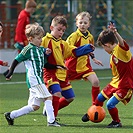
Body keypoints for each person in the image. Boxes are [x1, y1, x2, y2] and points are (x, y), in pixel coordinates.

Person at [4, 23, 64, 127]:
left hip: (37, 79)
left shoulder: (41, 50)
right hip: (34, 79)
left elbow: (45, 64)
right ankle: (51, 121)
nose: (41, 40)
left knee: (34, 106)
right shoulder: (28, 49)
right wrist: (10, 72)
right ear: (31, 39)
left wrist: (56, 66)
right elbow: (16, 60)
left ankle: (11, 115)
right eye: (39, 38)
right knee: (49, 97)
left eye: (41, 38)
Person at [41, 15, 95, 118]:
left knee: (70, 98)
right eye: (59, 29)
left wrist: (87, 48)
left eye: (63, 30)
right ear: (52, 28)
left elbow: (72, 51)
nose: (61, 32)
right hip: (50, 73)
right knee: (56, 93)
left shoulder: (63, 43)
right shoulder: (45, 40)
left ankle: (49, 111)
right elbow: (37, 50)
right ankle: (52, 119)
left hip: (62, 74)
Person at [83, 22, 133, 128]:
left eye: (103, 47)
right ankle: (92, 113)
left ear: (107, 45)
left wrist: (115, 33)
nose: (104, 50)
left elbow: (123, 44)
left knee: (110, 104)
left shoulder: (120, 51)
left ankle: (116, 122)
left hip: (125, 85)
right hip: (115, 83)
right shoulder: (113, 53)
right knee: (99, 98)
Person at [65, 12, 103, 121]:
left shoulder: (90, 36)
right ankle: (54, 107)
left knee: (96, 82)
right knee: (65, 94)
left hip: (85, 67)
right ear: (76, 24)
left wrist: (94, 58)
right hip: (71, 67)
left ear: (89, 24)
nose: (82, 24)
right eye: (80, 22)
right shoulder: (74, 36)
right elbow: (67, 48)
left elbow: (90, 49)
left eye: (85, 23)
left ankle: (94, 107)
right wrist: (80, 50)